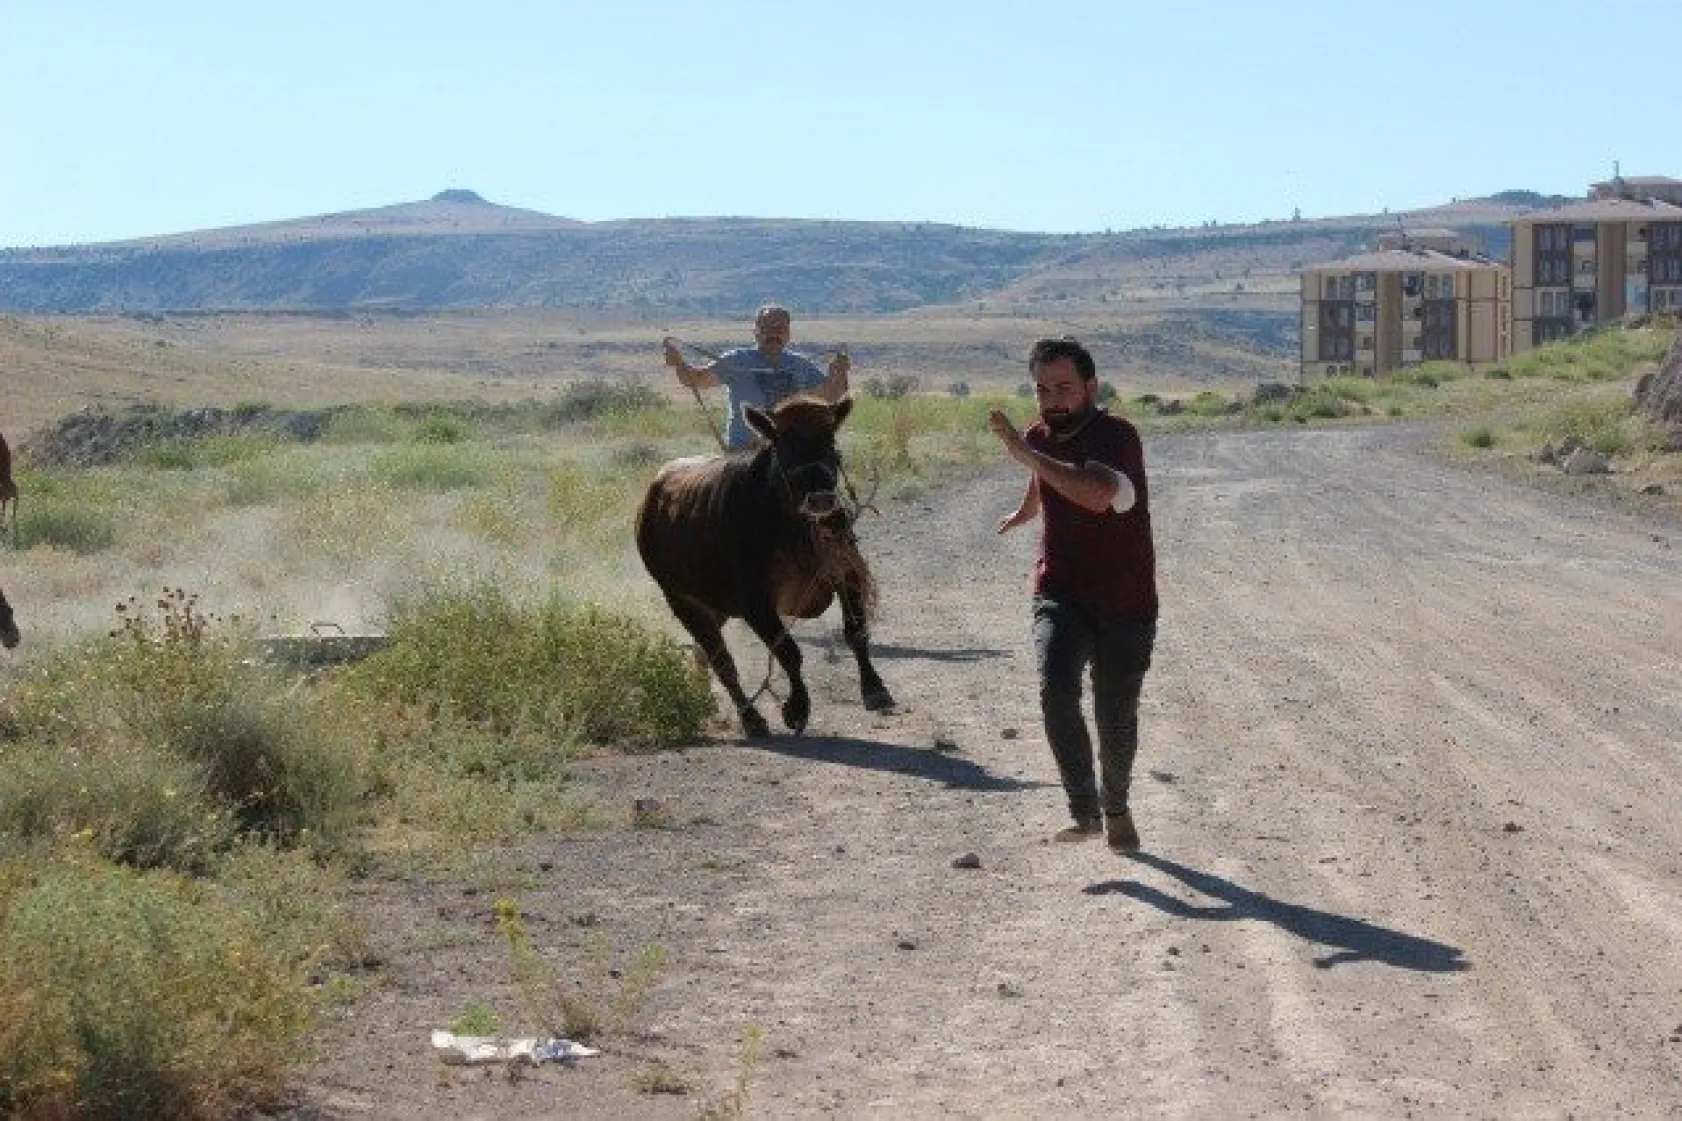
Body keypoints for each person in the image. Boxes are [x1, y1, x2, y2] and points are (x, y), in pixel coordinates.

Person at [988, 337, 1158, 851]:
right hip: (1060, 589)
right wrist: (1027, 509)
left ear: (1090, 387)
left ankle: (1116, 806)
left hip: (1126, 601)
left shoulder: (1116, 436)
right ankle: (1084, 812)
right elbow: (1046, 472)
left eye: (1063, 388)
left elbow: (1095, 493)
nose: (1052, 400)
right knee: (1055, 687)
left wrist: (1023, 454)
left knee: (1115, 715)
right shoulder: (1041, 435)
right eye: (1042, 389)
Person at [663, 304, 850, 450]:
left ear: (788, 334)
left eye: (780, 328)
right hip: (744, 457)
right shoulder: (737, 360)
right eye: (767, 328)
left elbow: (830, 397)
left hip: (789, 454)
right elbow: (696, 380)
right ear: (755, 332)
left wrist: (840, 373)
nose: (774, 333)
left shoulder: (800, 365)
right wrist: (679, 363)